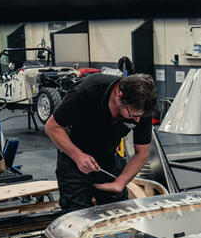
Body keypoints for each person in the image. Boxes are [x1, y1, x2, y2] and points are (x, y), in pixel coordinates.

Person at [44, 72, 158, 212]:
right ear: (119, 96)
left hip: (108, 158)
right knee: (78, 214)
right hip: (73, 157)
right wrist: (78, 156)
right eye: (133, 115)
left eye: (140, 116)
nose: (137, 120)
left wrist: (120, 182)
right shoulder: (87, 91)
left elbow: (142, 153)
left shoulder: (141, 106)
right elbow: (52, 127)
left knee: (118, 213)